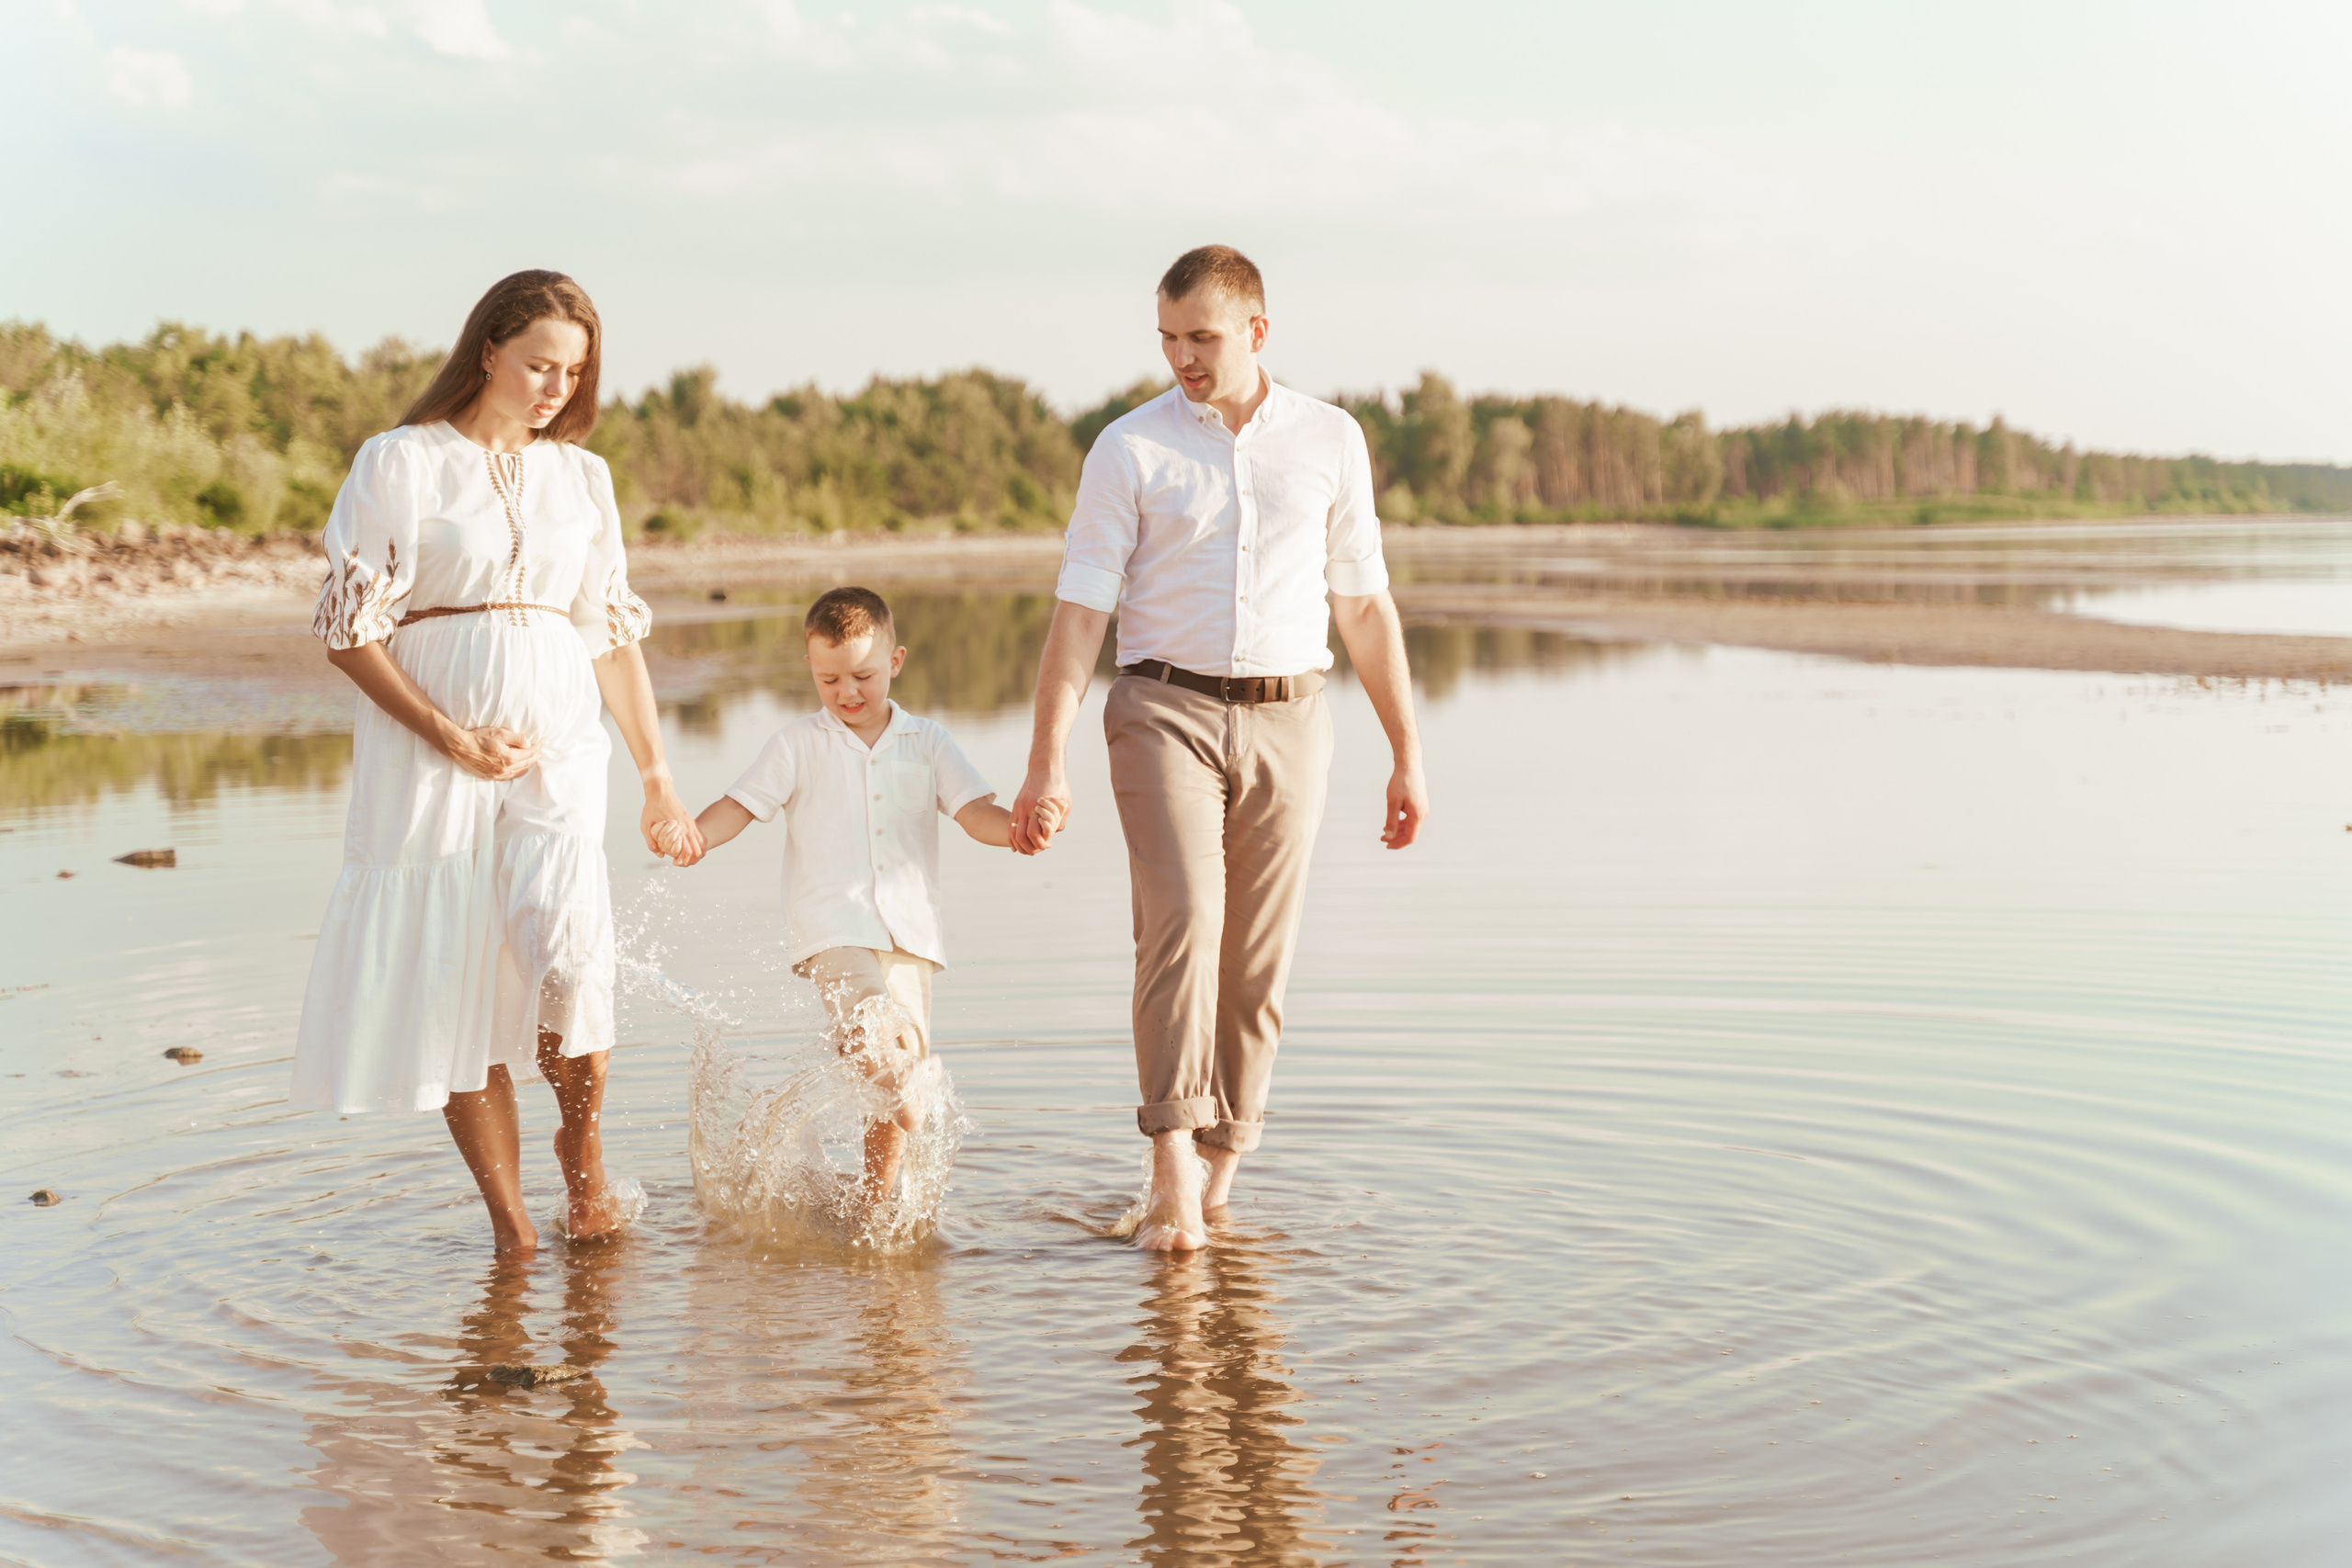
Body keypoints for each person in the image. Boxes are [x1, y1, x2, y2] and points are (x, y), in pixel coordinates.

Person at [1010, 244, 1429, 1253]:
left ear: (1257, 330)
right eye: (1167, 338)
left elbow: (1364, 607)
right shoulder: (1128, 447)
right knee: (1184, 926)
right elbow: (1078, 618)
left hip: (1294, 717)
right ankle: (1168, 1166)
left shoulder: (1331, 439)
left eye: (1202, 337)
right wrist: (1044, 759)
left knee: (1256, 961)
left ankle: (1223, 1165)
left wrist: (1405, 752)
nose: (1182, 358)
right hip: (1161, 712)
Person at [290, 269, 702, 1254]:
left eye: (574, 370)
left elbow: (609, 633)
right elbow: (350, 630)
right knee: (458, 979)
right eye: (538, 364)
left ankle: (583, 1147)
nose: (556, 386)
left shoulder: (581, 477)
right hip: (431, 755)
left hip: (561, 747)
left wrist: (655, 777)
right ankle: (514, 1232)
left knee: (570, 955)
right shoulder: (402, 462)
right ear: (487, 351)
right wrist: (449, 734)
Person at [669, 586, 1053, 1201]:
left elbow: (976, 812)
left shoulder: (928, 741)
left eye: (863, 676)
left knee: (893, 1067)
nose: (847, 693)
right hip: (834, 928)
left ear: (896, 662)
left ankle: (877, 1199)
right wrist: (695, 836)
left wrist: (1017, 832)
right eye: (830, 680)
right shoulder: (797, 744)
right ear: (811, 671)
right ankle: (903, 1087)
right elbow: (740, 806)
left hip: (912, 937)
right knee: (866, 1030)